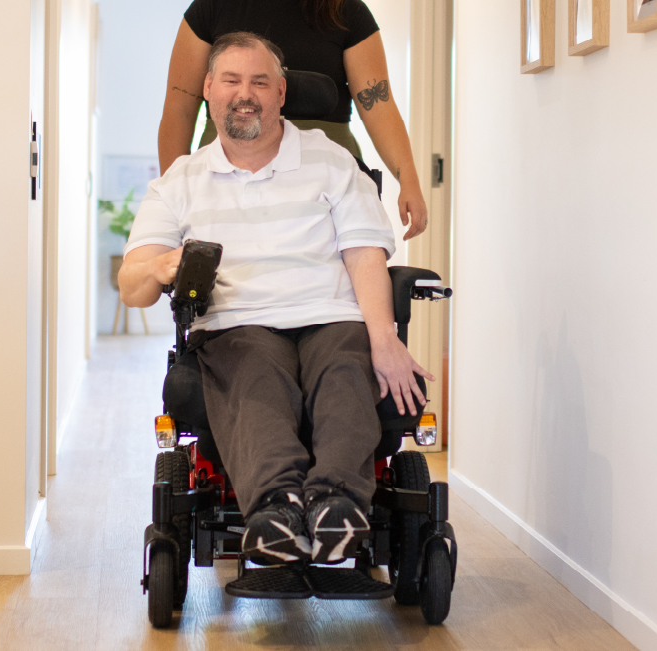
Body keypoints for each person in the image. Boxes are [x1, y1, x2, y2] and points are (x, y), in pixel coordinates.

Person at [121, 32, 434, 564]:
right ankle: (277, 508)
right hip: (238, 323)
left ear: (282, 93)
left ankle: (335, 504)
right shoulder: (182, 180)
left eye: (260, 82)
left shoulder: (331, 161)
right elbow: (132, 285)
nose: (246, 94)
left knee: (344, 366)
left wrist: (384, 338)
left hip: (330, 314)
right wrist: (158, 265)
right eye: (232, 81)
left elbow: (364, 253)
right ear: (208, 90)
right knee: (255, 369)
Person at [159, 0, 429, 241]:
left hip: (325, 177)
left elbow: (378, 106)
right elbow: (179, 108)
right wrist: (173, 195)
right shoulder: (210, 8)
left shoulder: (346, 10)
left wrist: (409, 181)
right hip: (227, 173)